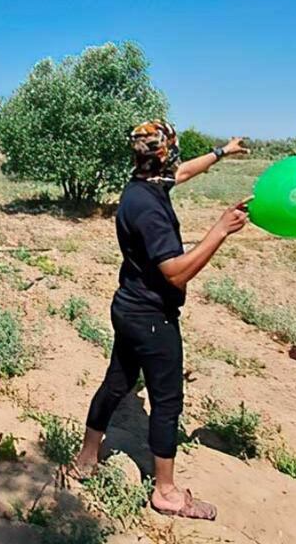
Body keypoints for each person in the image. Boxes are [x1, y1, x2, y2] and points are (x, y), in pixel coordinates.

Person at [73, 121, 250, 521]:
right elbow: (176, 272)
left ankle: (86, 459)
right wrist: (220, 230)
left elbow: (182, 172)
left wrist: (223, 151)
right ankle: (166, 493)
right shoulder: (149, 208)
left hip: (129, 307)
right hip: (152, 317)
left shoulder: (143, 184)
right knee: (167, 402)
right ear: (164, 154)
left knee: (117, 383)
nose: (177, 162)